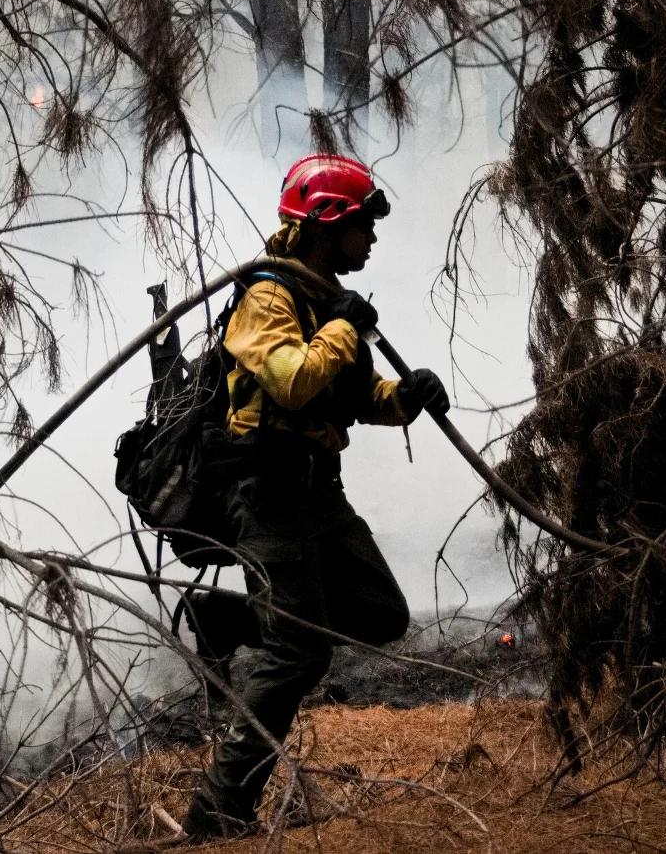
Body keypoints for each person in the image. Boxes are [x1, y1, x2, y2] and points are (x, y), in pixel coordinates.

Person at [181, 154, 450, 840]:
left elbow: (352, 399)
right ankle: (218, 808)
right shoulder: (269, 296)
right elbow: (292, 381)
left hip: (319, 491)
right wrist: (343, 326)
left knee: (382, 612)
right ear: (329, 223)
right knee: (298, 655)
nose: (373, 239)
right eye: (364, 225)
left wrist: (407, 397)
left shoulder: (326, 297)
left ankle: (234, 618)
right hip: (267, 492)